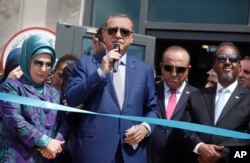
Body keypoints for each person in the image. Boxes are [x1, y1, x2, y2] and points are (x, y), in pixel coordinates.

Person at [66, 13, 159, 163]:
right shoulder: (86, 64)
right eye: (112, 31)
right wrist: (100, 73)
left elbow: (153, 108)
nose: (118, 35)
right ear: (104, 34)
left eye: (124, 31)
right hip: (94, 151)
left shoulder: (144, 70)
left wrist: (145, 128)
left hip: (130, 152)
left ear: (132, 37)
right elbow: (71, 99)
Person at [0, 35, 68, 162]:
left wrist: (56, 144)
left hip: (47, 158)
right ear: (27, 61)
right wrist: (45, 142)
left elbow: (64, 124)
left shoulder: (54, 93)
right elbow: (15, 121)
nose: (43, 69)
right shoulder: (11, 87)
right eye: (38, 63)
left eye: (48, 65)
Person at [181, 42, 250, 163]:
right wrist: (200, 147)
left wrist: (221, 154)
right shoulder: (196, 97)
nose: (227, 62)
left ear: (239, 66)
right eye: (221, 58)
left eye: (233, 59)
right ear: (213, 65)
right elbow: (185, 129)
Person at [147, 45, 198, 163]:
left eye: (180, 69)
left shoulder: (198, 97)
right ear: (161, 67)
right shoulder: (149, 91)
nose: (174, 74)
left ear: (188, 70)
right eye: (169, 68)